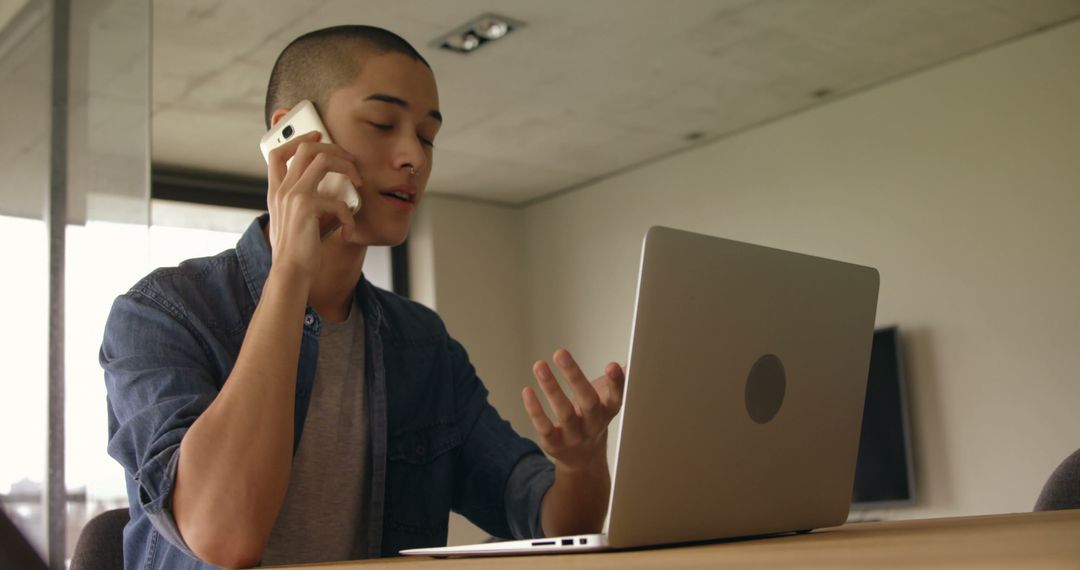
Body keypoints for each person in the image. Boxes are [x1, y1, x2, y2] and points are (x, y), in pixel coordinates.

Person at [101, 25, 625, 570]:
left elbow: (554, 522)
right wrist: (290, 273)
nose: (413, 158)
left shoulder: (423, 346)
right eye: (382, 124)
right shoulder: (161, 314)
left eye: (427, 137)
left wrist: (581, 465)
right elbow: (222, 536)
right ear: (292, 136)